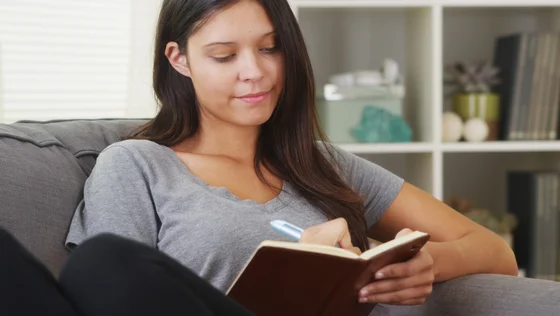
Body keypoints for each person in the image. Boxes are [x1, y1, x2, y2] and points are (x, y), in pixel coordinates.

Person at [1, 0, 518, 315]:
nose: (255, 72)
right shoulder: (135, 164)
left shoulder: (322, 164)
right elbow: (110, 300)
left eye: (270, 48)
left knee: (104, 260)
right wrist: (290, 268)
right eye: (225, 56)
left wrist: (423, 264)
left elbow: (496, 252)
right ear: (178, 59)